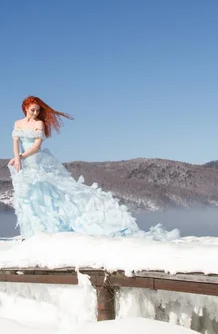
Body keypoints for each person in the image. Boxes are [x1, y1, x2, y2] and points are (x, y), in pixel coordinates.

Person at [8, 95, 140, 238]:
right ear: (26, 108)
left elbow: (36, 146)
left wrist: (20, 157)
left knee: (43, 193)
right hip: (23, 161)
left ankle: (48, 229)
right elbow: (15, 142)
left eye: (38, 111)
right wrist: (16, 157)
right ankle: (31, 232)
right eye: (33, 110)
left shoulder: (39, 124)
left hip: (36, 159)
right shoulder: (18, 123)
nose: (35, 113)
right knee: (27, 196)